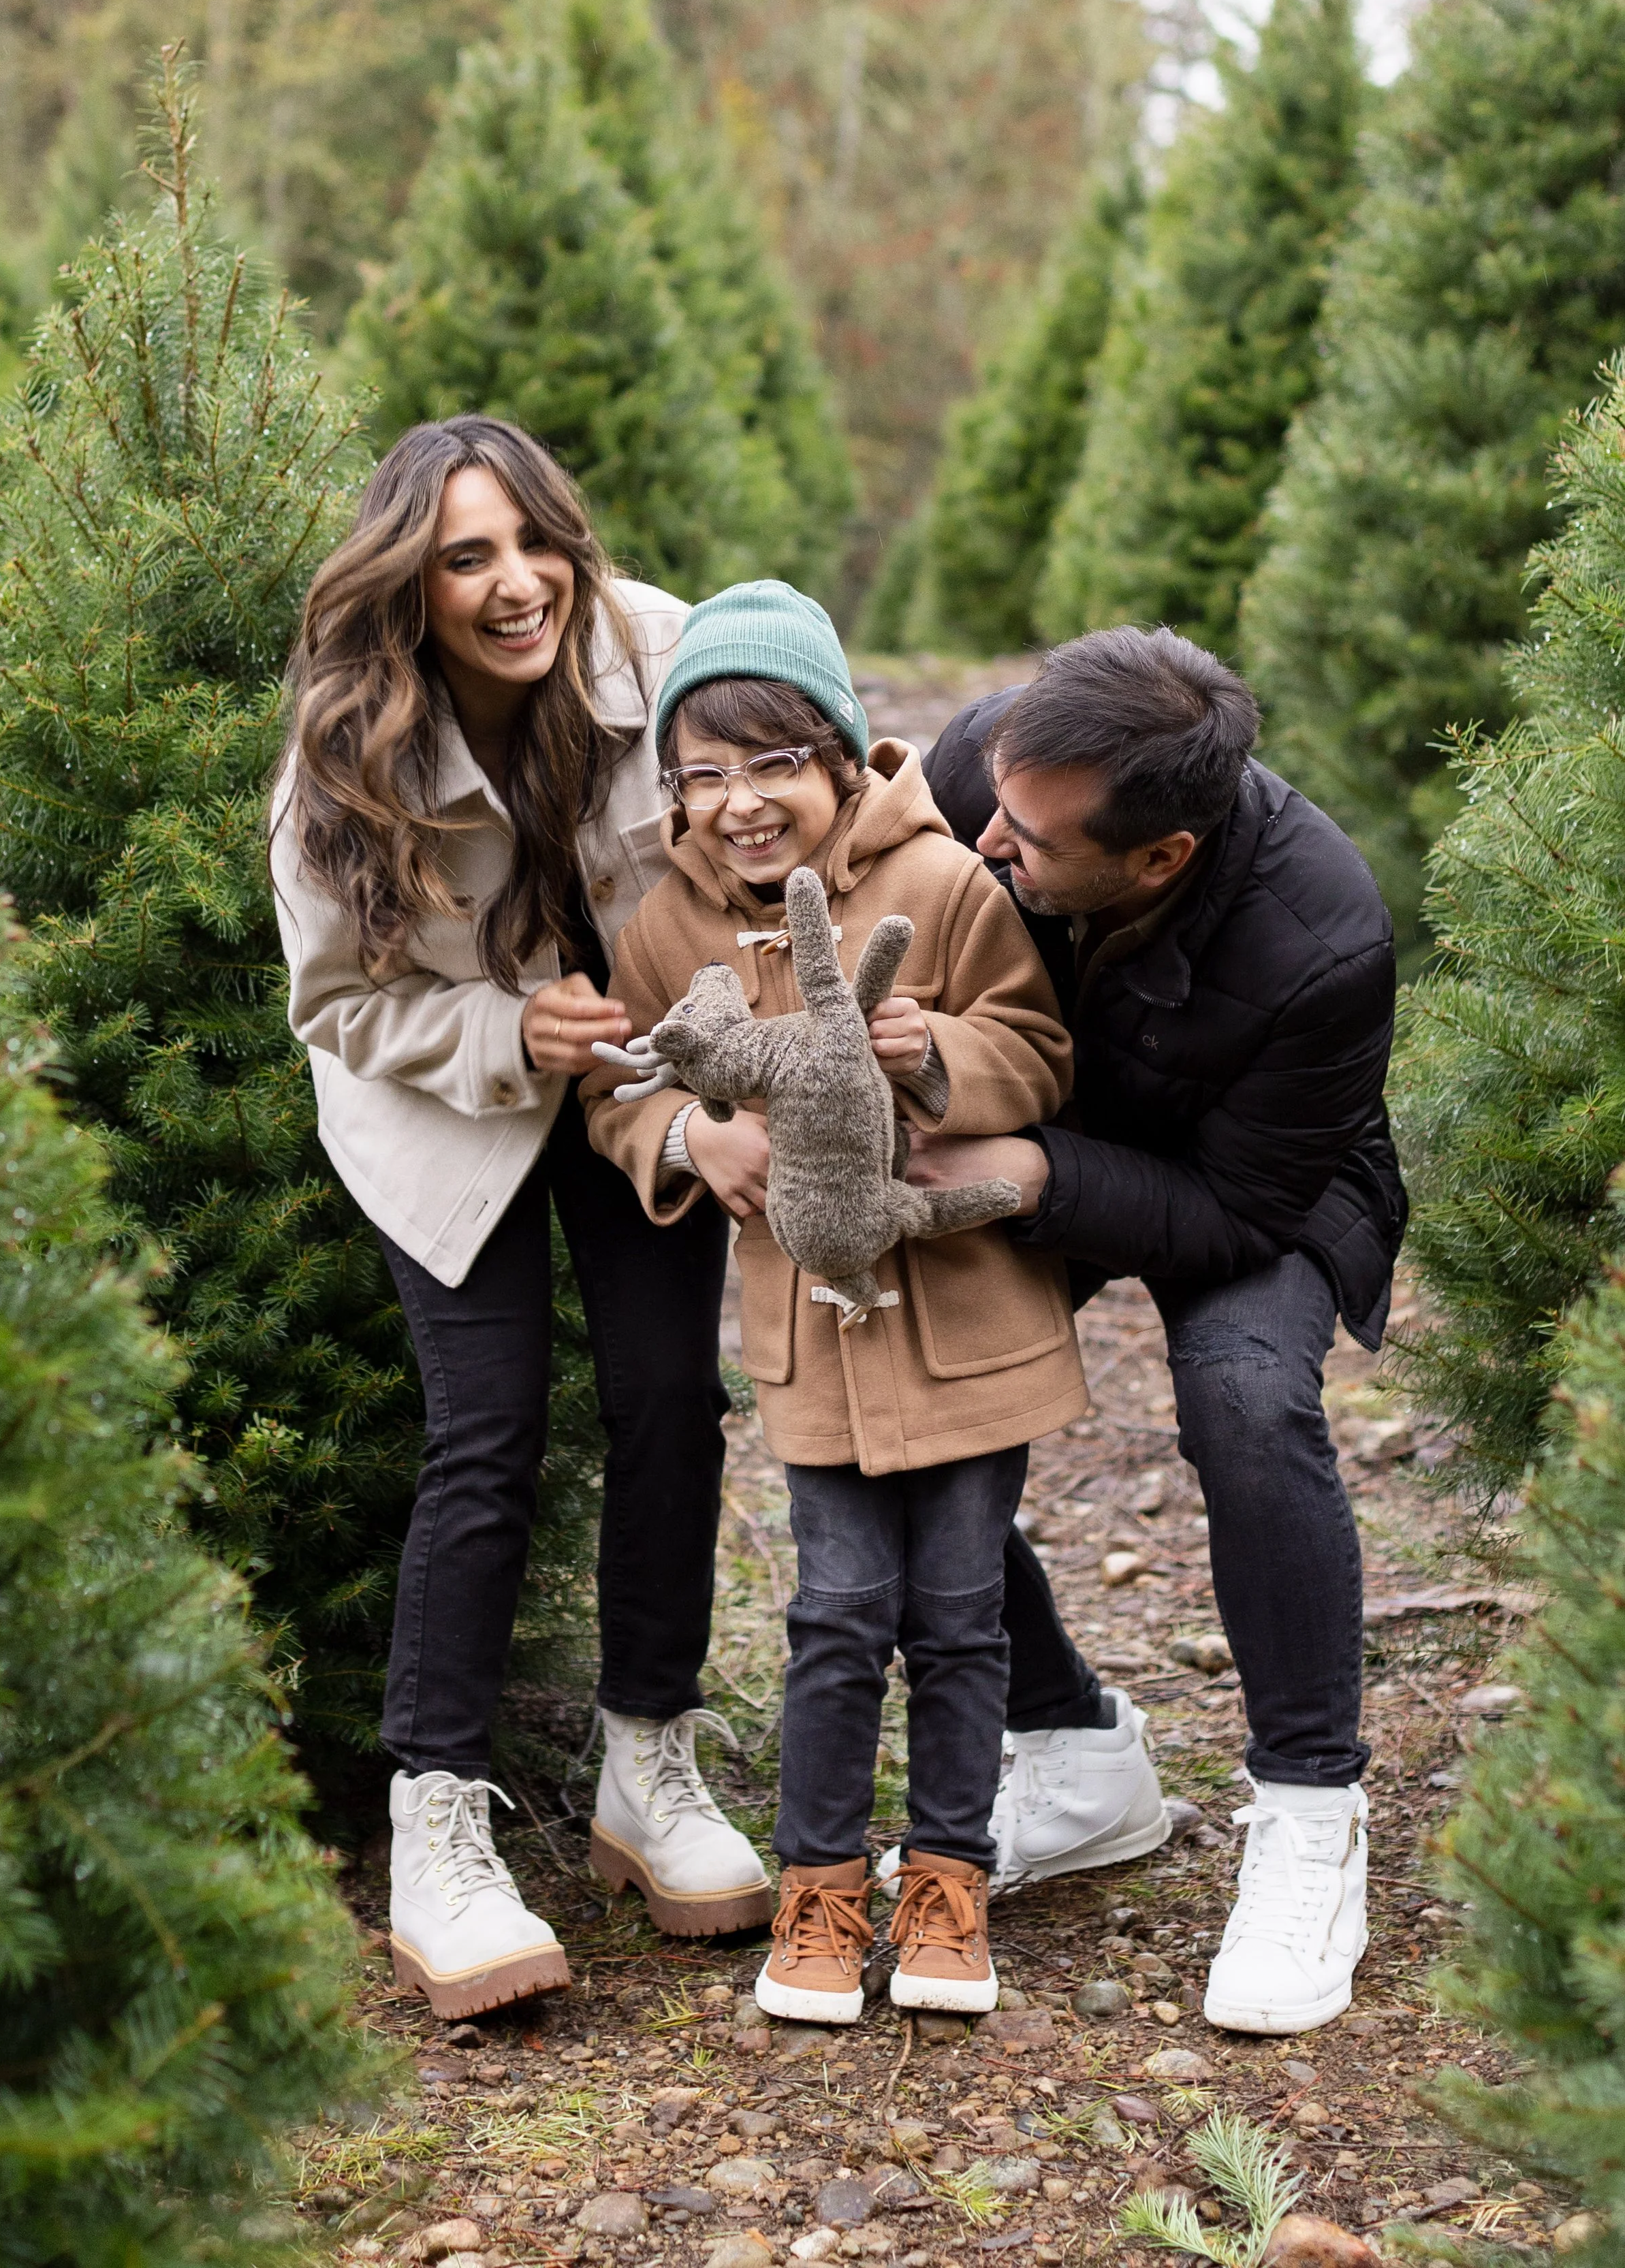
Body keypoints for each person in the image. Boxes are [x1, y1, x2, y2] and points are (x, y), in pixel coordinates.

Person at [270, 415, 770, 2019]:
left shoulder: (668, 654)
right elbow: (337, 1006)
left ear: (571, 539)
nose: (510, 586)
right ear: (407, 586)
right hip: (447, 1102)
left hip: (638, 1077)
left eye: (529, 544)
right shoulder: (344, 753)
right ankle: (437, 1827)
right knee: (485, 1427)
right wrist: (501, 1034)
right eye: (463, 558)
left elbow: (786, 809)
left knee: (668, 1403)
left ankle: (648, 1760)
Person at [582, 582, 1090, 2024]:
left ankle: (943, 1884)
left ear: (838, 756)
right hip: (814, 1336)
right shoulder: (660, 924)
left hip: (967, 1325)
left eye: (771, 765)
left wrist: (936, 1057)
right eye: (703, 773)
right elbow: (618, 1095)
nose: (740, 804)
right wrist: (693, 1138)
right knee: (835, 1609)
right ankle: (815, 1894)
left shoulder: (942, 889)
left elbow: (1037, 1051)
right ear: (672, 790)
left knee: (958, 1611)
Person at [909, 625, 1406, 2037]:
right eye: (989, 807)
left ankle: (1310, 1814)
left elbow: (1237, 1209)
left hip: (1255, 1179)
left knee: (1244, 1396)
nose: (988, 841)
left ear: (1157, 858)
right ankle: (1072, 1750)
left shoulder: (1321, 940)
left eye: (1031, 840)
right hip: (1038, 1122)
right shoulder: (990, 773)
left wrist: (1030, 1178)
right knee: (910, 1379)